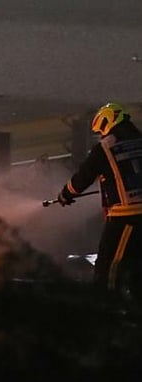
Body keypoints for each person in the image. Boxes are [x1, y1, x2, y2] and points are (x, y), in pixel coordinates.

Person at [57, 102, 142, 294]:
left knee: (108, 263)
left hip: (125, 217)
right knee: (137, 265)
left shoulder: (104, 149)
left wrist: (65, 195)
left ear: (106, 123)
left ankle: (105, 304)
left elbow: (83, 177)